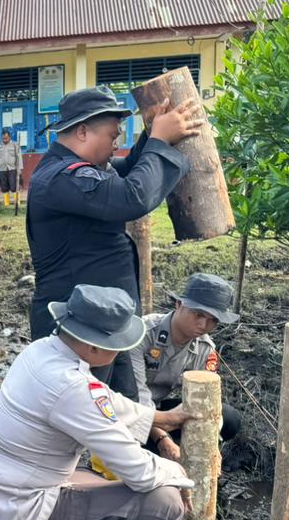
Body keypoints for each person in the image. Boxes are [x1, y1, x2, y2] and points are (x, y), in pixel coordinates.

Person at [0, 285, 195, 520]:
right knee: (165, 503)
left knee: (90, 477)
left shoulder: (41, 351)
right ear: (93, 345)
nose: (118, 353)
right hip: (19, 514)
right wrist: (178, 473)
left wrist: (159, 418)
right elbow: (139, 472)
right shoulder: (72, 388)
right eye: (116, 345)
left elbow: (104, 400)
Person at [25, 86, 203, 400]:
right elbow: (130, 197)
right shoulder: (61, 178)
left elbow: (133, 172)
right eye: (112, 135)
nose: (116, 142)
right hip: (79, 328)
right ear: (82, 132)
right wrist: (160, 141)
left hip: (107, 322)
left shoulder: (84, 171)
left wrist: (153, 136)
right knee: (81, 413)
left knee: (122, 409)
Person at [134, 273, 243, 461]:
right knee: (134, 435)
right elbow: (135, 395)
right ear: (179, 305)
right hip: (130, 409)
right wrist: (162, 439)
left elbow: (204, 400)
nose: (203, 325)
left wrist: (210, 442)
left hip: (164, 411)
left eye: (213, 320)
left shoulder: (205, 349)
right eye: (198, 314)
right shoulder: (142, 334)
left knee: (229, 418)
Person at [0, 128, 22, 211]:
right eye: (3, 138)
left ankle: (17, 202)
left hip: (12, 168)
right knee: (4, 187)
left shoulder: (15, 145)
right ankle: (7, 204)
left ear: (9, 137)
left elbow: (19, 157)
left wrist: (19, 168)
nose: (4, 140)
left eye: (6, 138)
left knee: (14, 186)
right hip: (2, 169)